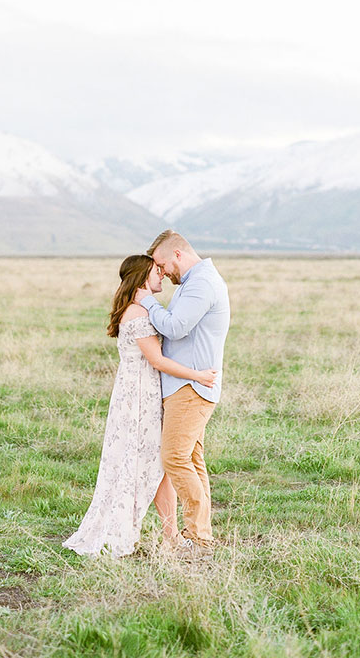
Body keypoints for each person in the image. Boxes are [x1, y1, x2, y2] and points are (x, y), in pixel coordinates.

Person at [62, 254, 218, 557]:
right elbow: (157, 360)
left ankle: (171, 535)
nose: (161, 275)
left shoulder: (135, 309)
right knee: (148, 463)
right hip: (139, 397)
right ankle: (167, 534)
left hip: (140, 390)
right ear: (142, 277)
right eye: (155, 271)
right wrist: (198, 375)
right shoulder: (137, 314)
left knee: (157, 466)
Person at [135, 230, 230, 555]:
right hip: (189, 385)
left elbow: (176, 327)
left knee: (174, 458)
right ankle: (201, 535)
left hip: (191, 386)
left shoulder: (201, 283)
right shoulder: (194, 283)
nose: (161, 272)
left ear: (177, 254)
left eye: (162, 264)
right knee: (191, 458)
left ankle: (196, 536)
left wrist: (146, 300)